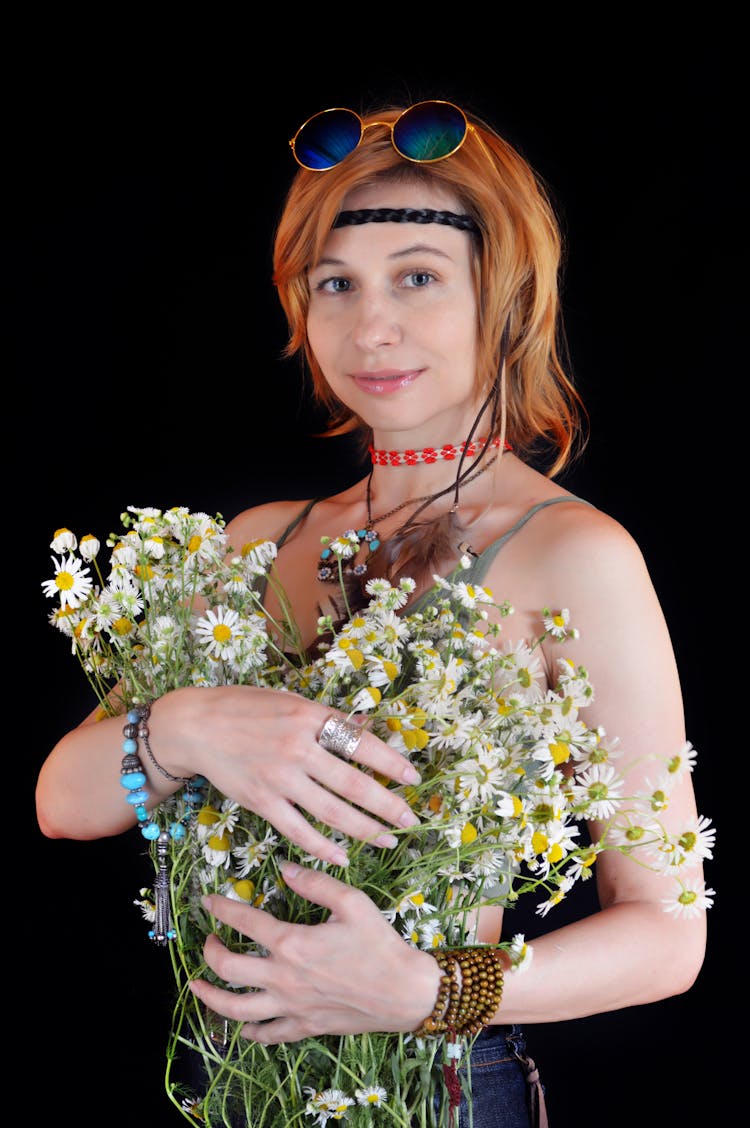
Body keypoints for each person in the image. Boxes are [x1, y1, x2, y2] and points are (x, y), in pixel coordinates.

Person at [36, 98, 709, 1127]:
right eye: (335, 284)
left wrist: (431, 993)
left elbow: (668, 930)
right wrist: (180, 728)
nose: (370, 326)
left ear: (508, 295)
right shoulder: (257, 541)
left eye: (419, 278)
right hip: (232, 1094)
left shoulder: (575, 556)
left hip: (434, 1093)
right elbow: (64, 799)